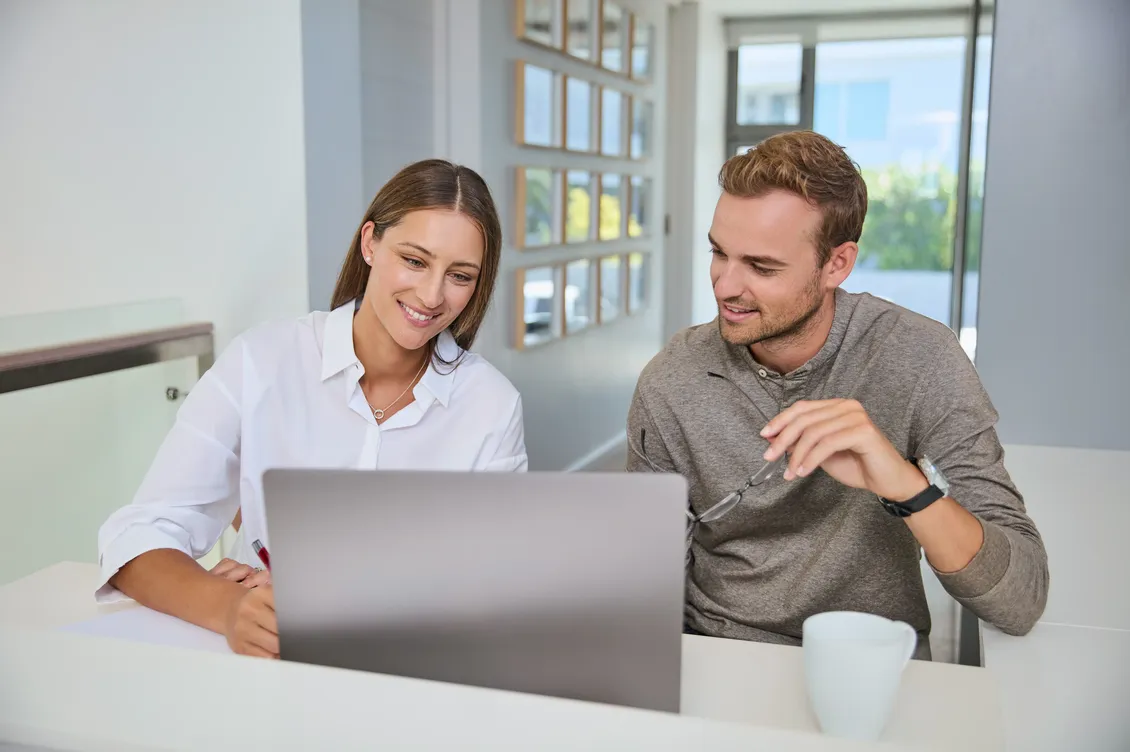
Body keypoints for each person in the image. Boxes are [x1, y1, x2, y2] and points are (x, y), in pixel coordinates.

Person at [627, 131, 1048, 659]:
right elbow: (645, 581)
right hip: (718, 655)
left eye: (761, 267)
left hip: (873, 662)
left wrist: (902, 483)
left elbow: (1021, 599)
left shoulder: (920, 357)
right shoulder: (672, 380)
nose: (725, 286)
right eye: (718, 253)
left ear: (837, 265)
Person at [97, 159, 527, 658]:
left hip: (411, 674)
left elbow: (493, 587)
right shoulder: (261, 361)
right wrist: (228, 608)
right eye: (414, 260)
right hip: (268, 666)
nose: (431, 295)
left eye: (459, 275)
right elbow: (137, 535)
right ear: (370, 243)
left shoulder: (492, 406)